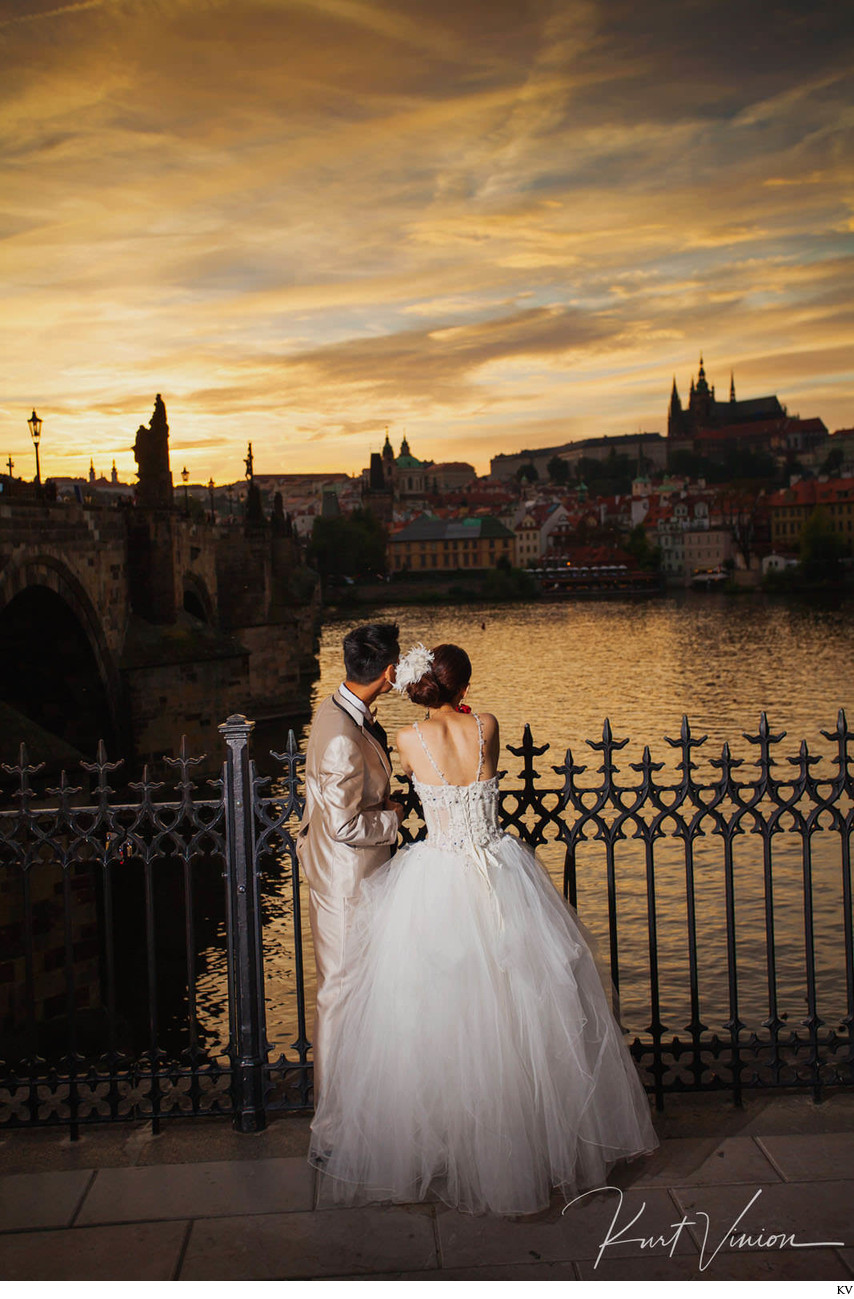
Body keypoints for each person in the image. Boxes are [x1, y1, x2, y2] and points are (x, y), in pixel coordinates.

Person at [308, 642, 658, 1216]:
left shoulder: (407, 741)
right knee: (521, 1006)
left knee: (438, 1015)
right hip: (499, 869)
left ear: (423, 685)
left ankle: (447, 1139)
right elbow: (475, 746)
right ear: (465, 688)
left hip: (437, 873)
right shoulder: (488, 726)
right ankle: (528, 1139)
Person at [296, 623, 405, 1130]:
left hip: (345, 876)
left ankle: (361, 1107)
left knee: (357, 992)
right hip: (345, 882)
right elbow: (344, 824)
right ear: (386, 671)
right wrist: (395, 817)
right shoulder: (342, 734)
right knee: (339, 995)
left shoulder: (336, 709)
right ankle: (334, 1124)